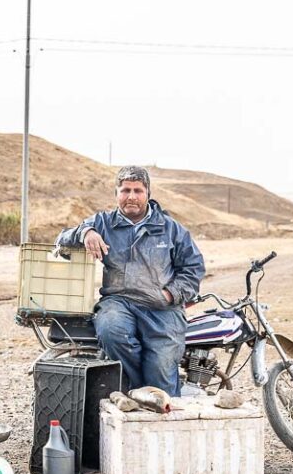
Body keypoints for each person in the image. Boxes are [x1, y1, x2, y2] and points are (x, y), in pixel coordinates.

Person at [55, 166, 205, 397]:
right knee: (111, 332)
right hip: (119, 302)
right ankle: (138, 390)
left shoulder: (171, 229)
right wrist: (85, 232)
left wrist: (170, 294)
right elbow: (62, 238)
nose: (131, 196)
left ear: (148, 193)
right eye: (125, 190)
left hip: (162, 307)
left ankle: (158, 404)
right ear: (117, 194)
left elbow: (193, 268)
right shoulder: (102, 223)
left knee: (161, 369)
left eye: (138, 190)